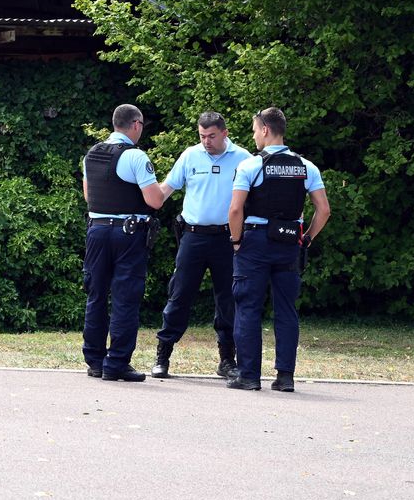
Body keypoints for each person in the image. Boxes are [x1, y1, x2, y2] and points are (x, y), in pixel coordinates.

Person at [226, 107, 331, 393]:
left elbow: (235, 209)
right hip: (288, 243)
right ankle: (285, 377)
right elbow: (323, 210)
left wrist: (236, 240)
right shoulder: (306, 167)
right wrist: (306, 238)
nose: (253, 136)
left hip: (255, 242)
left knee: (248, 307)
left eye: (254, 130)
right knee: (286, 309)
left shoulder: (250, 166)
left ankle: (248, 376)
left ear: (265, 130)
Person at [149, 112, 250, 379]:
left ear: (224, 133)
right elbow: (165, 190)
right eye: (202, 136)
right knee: (179, 294)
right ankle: (163, 355)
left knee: (228, 298)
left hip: (227, 238)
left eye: (212, 136)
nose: (206, 141)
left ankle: (227, 359)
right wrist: (143, 201)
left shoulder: (243, 158)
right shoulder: (190, 155)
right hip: (193, 236)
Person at [82, 104, 169, 382]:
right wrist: (169, 186)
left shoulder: (91, 154)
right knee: (125, 298)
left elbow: (88, 197)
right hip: (127, 234)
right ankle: (117, 363)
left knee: (96, 296)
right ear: (136, 124)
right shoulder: (135, 156)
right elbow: (154, 200)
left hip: (97, 231)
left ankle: (95, 361)